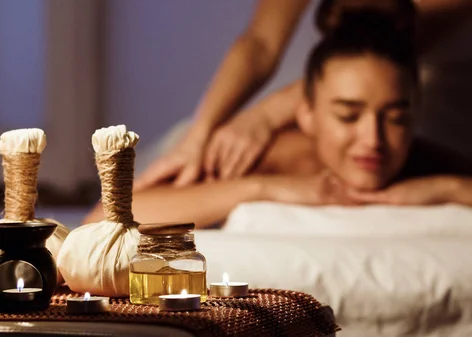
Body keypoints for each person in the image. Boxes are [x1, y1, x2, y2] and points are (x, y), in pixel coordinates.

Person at [84, 6, 472, 229]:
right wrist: (260, 186)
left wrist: (446, 190)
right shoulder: (266, 155)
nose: (373, 139)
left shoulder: (420, 159)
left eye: (396, 117)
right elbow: (104, 219)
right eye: (348, 116)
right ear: (307, 113)